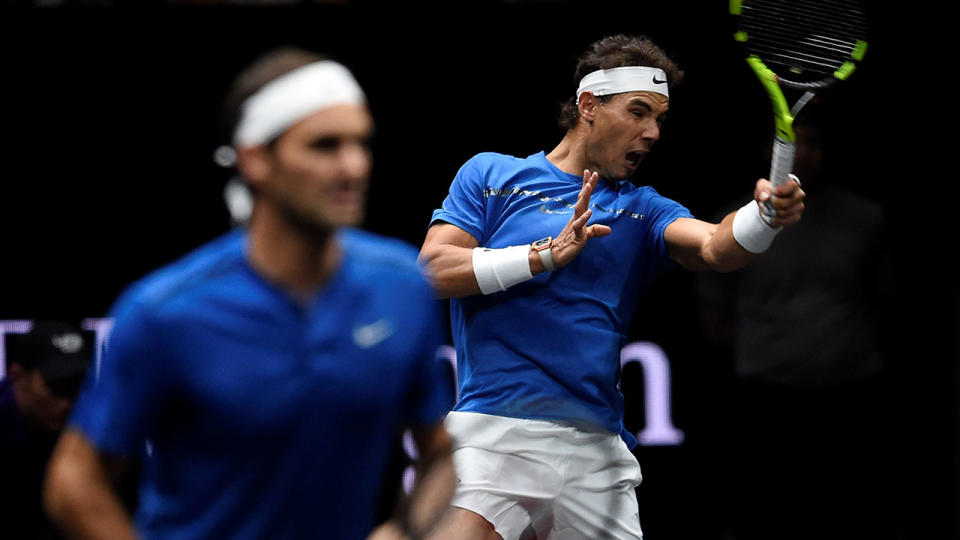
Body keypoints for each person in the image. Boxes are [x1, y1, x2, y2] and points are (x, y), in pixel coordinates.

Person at [43, 47, 455, 540]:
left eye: (360, 143)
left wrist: (404, 533)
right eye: (325, 146)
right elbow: (74, 480)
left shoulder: (402, 289)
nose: (354, 166)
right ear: (256, 159)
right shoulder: (164, 313)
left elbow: (440, 455)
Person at [417, 34, 806, 540]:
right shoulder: (492, 176)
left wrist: (764, 216)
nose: (653, 133)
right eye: (639, 112)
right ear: (588, 106)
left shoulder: (642, 208)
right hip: (494, 435)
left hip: (595, 453)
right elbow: (432, 270)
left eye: (660, 120)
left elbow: (714, 247)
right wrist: (541, 256)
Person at [696, 106, 896, 540]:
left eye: (813, 142)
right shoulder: (736, 222)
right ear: (767, 150)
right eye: (791, 141)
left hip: (848, 394)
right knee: (762, 513)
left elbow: (884, 301)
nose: (802, 153)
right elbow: (714, 312)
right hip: (764, 397)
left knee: (847, 512)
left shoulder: (865, 219)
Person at [0, 320, 92, 540]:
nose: (68, 401)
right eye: (56, 386)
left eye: (77, 385)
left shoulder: (93, 421)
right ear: (18, 377)